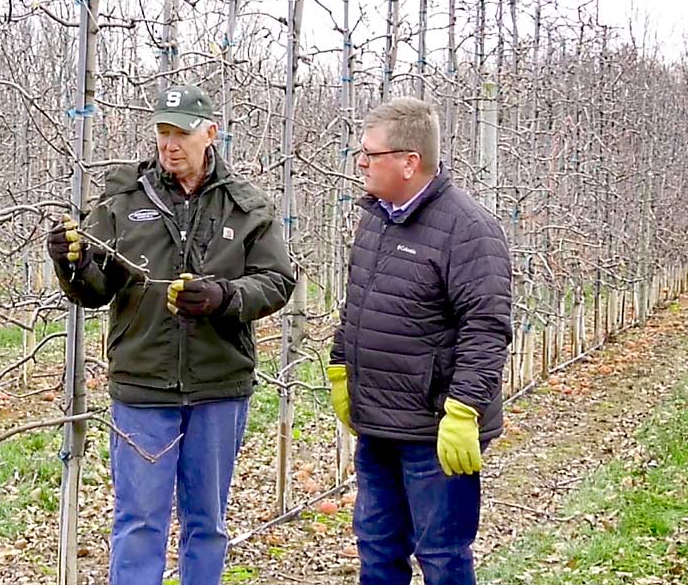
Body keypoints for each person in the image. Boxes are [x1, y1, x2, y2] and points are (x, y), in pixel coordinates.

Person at [47, 84, 295, 585]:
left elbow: (277, 281)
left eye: (180, 132)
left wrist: (223, 298)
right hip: (143, 385)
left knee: (206, 523)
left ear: (210, 134)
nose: (170, 144)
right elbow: (94, 290)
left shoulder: (245, 206)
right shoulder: (122, 199)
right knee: (139, 522)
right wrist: (68, 263)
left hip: (218, 386)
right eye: (162, 132)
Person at [328, 97, 512, 585]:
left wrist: (464, 409)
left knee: (442, 556)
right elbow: (358, 304)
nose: (361, 163)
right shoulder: (375, 218)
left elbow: (486, 326)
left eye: (371, 154)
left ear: (410, 162)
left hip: (434, 431)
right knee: (377, 550)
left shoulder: (469, 230)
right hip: (378, 426)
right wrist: (341, 367)